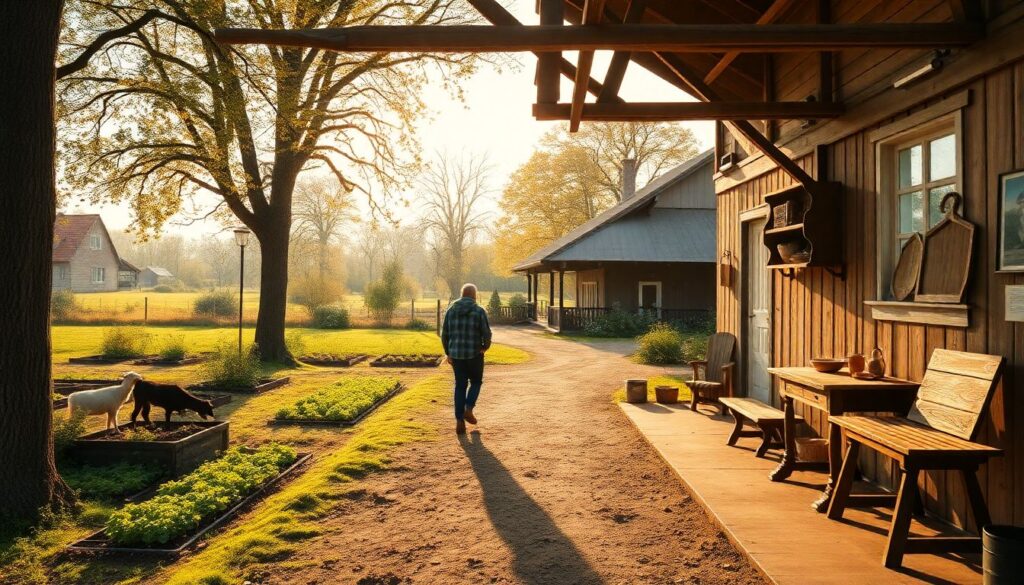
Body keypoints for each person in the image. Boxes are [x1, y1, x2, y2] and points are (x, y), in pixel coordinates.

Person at [440, 283, 492, 435]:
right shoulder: (479, 310)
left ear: (462, 294)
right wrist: (485, 347)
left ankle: (459, 420)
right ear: (474, 295)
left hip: (456, 355)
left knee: (460, 386)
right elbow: (487, 333)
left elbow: (445, 334)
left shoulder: (451, 310)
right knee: (476, 382)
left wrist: (447, 352)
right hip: (475, 353)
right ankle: (468, 409)